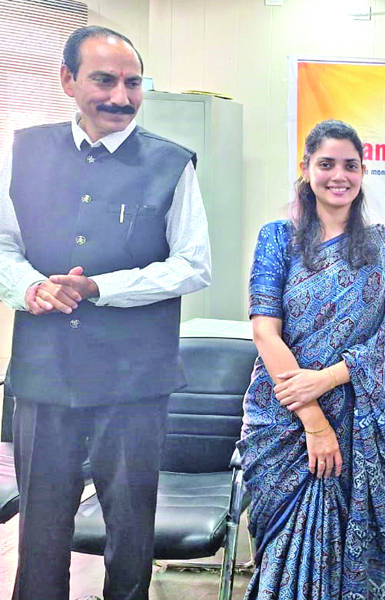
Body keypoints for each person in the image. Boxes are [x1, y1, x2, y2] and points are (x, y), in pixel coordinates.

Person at [0, 26, 211, 600]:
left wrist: (100, 287)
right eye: (104, 80)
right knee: (41, 528)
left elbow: (193, 265)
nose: (121, 96)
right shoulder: (21, 151)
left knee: (131, 528)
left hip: (134, 378)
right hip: (45, 371)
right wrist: (30, 287)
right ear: (68, 80)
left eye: (133, 83)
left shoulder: (171, 163)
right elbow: (4, 244)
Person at [238, 119, 385, 600]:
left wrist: (325, 379)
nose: (338, 176)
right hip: (284, 417)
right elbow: (264, 330)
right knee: (284, 551)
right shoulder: (277, 238)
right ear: (306, 169)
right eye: (326, 164)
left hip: (363, 421)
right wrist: (314, 422)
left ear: (362, 172)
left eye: (350, 166)